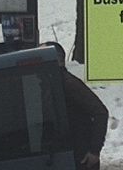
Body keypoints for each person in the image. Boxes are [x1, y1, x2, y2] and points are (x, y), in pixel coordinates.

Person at [45, 42, 109, 170]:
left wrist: (94, 151)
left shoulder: (68, 84)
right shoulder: (52, 84)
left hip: (80, 158)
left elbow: (100, 112)